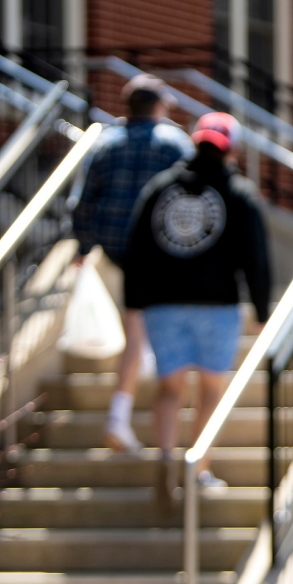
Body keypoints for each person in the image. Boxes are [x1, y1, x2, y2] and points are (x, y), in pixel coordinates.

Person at [123, 112, 271, 489]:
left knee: (170, 389)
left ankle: (167, 459)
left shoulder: (159, 187)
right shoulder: (238, 192)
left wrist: (133, 301)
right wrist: (261, 308)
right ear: (231, 149)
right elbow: (255, 253)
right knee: (210, 390)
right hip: (217, 306)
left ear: (194, 142)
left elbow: (136, 246)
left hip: (162, 304)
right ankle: (198, 468)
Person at [72, 74, 195, 454]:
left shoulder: (106, 143)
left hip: (113, 251)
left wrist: (83, 245)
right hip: (159, 253)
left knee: (134, 326)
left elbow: (84, 200)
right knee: (146, 329)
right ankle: (123, 415)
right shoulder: (175, 143)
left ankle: (123, 411)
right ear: (158, 107)